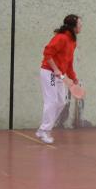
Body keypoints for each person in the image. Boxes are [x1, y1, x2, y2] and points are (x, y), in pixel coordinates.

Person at [36, 14, 82, 144]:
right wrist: (55, 69)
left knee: (61, 102)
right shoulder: (60, 38)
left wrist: (73, 78)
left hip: (59, 74)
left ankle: (44, 129)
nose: (81, 26)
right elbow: (47, 53)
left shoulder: (72, 41)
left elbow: (69, 62)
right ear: (73, 26)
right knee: (51, 101)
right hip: (49, 72)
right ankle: (44, 131)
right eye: (79, 24)